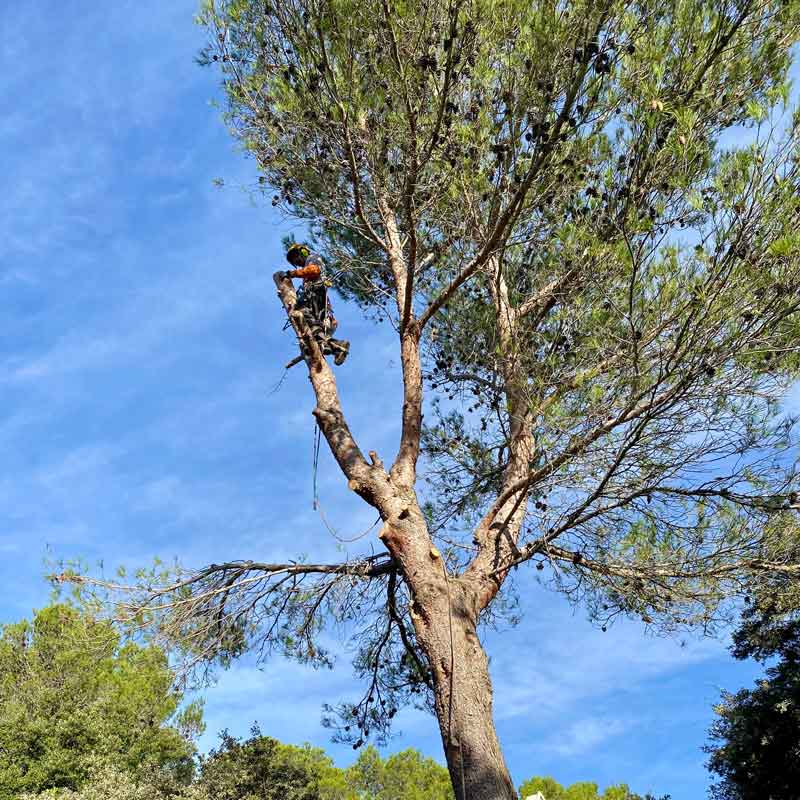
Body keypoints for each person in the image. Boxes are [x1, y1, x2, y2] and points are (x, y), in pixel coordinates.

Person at [284, 243, 349, 366]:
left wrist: (292, 274)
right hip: (317, 295)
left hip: (315, 291)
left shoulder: (312, 257)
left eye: (296, 257)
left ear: (303, 252)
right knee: (315, 331)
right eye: (294, 261)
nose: (297, 261)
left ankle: (328, 344)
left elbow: (314, 270)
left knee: (300, 309)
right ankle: (336, 347)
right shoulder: (307, 266)